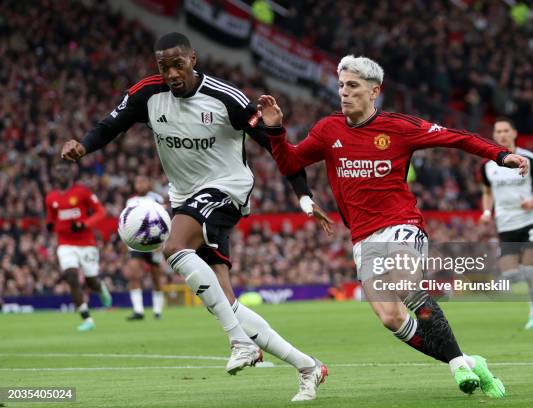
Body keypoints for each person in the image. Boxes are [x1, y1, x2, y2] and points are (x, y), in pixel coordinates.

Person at [60, 32, 328, 401]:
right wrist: (83, 146)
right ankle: (308, 367)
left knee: (173, 246)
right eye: (163, 66)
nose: (170, 73)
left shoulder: (225, 98)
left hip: (228, 187)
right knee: (226, 300)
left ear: (193, 60)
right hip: (184, 195)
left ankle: (239, 343)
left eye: (177, 64)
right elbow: (110, 126)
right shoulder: (146, 94)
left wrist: (303, 195)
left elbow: (275, 145)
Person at [258, 55, 530, 399]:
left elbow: (456, 138)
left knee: (405, 283)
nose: (344, 93)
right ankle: (464, 359)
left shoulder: (398, 127)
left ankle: (459, 366)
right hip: (362, 237)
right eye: (341, 85)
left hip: (401, 224)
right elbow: (291, 162)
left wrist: (500, 155)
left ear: (375, 91)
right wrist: (275, 130)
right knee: (389, 317)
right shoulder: (328, 130)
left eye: (353, 86)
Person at [480, 118, 533, 329]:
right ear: (494, 135)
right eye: (498, 131)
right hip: (505, 226)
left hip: (530, 222)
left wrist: (532, 202)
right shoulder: (487, 166)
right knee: (510, 274)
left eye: (506, 130)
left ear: (514, 133)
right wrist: (486, 211)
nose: (502, 134)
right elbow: (487, 192)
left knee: (528, 269)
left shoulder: (530, 159)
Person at [45, 161, 112, 331]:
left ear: (70, 173)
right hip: (65, 244)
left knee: (91, 282)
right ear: (54, 174)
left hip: (86, 243)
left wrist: (84, 224)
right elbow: (52, 218)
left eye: (64, 170)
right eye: (58, 170)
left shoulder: (82, 192)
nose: (61, 174)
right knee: (71, 277)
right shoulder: (51, 197)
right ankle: (87, 318)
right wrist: (50, 225)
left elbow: (101, 212)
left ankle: (100, 287)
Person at [123, 175, 167, 321]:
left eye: (143, 181)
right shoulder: (131, 201)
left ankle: (157, 311)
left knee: (156, 276)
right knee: (134, 274)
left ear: (149, 183)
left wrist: (161, 242)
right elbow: (127, 221)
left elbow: (164, 220)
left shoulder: (157, 199)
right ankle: (138, 311)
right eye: (137, 182)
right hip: (136, 242)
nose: (140, 184)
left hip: (154, 243)